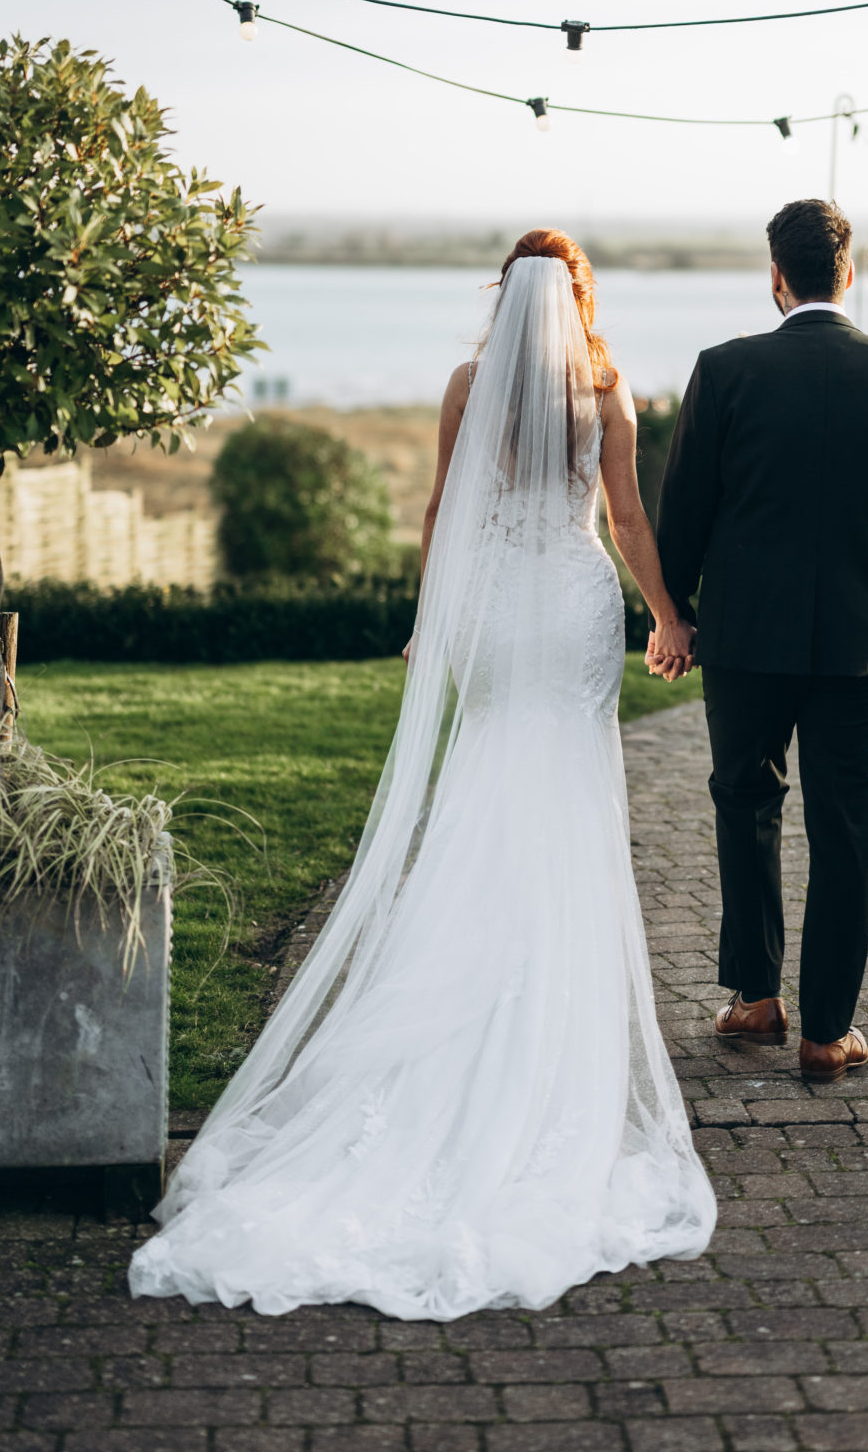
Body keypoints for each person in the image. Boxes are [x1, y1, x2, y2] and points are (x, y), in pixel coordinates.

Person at [129, 230, 715, 1319]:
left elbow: (445, 506)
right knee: (569, 787)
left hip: (495, 604)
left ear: (506, 293)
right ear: (578, 297)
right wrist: (666, 614)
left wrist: (429, 621)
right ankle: (545, 1007)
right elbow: (627, 515)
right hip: (575, 602)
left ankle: (468, 968)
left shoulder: (469, 381)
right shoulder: (607, 386)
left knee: (488, 768)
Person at [652, 198, 868, 1081]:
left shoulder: (724, 370)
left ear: (777, 278)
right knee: (844, 832)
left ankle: (754, 999)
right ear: (848, 274)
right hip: (867, 642)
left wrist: (674, 613)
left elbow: (685, 512)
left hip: (745, 638)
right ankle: (827, 1033)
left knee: (742, 805)